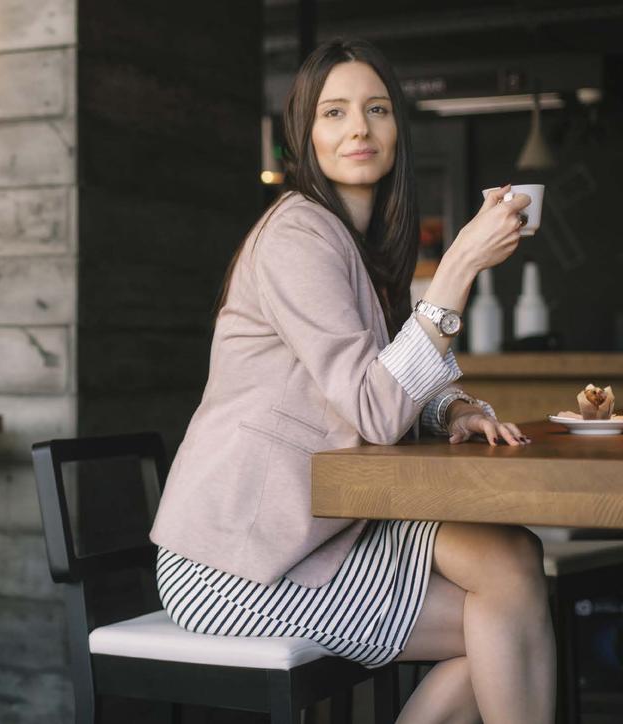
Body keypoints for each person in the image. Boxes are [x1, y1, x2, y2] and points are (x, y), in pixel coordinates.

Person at [150, 38, 553, 724]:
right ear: (304, 137)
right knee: (505, 629)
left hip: (316, 530)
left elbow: (394, 377)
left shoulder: (356, 249)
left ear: (398, 128)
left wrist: (453, 408)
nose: (359, 128)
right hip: (238, 560)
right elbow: (373, 408)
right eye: (334, 113)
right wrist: (455, 265)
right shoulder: (296, 236)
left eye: (376, 109)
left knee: (514, 557)